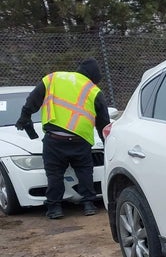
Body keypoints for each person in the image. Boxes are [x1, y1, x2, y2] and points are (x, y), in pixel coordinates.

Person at [16, 58, 110, 219]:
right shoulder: (93, 90)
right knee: (85, 172)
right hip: (80, 140)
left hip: (55, 138)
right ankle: (88, 204)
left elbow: (33, 99)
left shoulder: (53, 78)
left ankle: (55, 208)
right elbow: (103, 121)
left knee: (54, 174)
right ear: (94, 77)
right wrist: (106, 141)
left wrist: (25, 116)